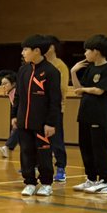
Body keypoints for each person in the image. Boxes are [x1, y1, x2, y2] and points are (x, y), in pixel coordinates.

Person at [14, 35, 62, 197]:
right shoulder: (23, 70)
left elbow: (55, 100)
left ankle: (47, 183)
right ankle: (29, 182)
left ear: (37, 51)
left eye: (25, 49)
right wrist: (15, 115)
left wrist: (51, 123)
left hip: (42, 123)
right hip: (23, 121)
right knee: (26, 152)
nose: (23, 53)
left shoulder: (51, 71)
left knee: (43, 153)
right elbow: (18, 96)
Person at [70, 34, 107, 194]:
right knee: (85, 146)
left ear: (96, 51)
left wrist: (84, 89)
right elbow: (78, 91)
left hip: (100, 114)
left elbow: (99, 90)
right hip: (85, 113)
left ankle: (104, 180)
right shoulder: (90, 68)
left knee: (100, 147)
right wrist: (73, 72)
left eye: (87, 50)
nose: (85, 54)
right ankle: (90, 178)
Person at [45, 36, 70, 182]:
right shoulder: (41, 64)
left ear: (53, 47)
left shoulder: (60, 66)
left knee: (56, 139)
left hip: (55, 109)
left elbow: (62, 89)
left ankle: (61, 168)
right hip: (40, 108)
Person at [0, 72, 20, 160]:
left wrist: (15, 117)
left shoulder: (15, 92)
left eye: (5, 83)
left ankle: (7, 147)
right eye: (2, 84)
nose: (3, 86)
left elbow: (18, 105)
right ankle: (7, 148)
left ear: (13, 84)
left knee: (17, 129)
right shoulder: (11, 93)